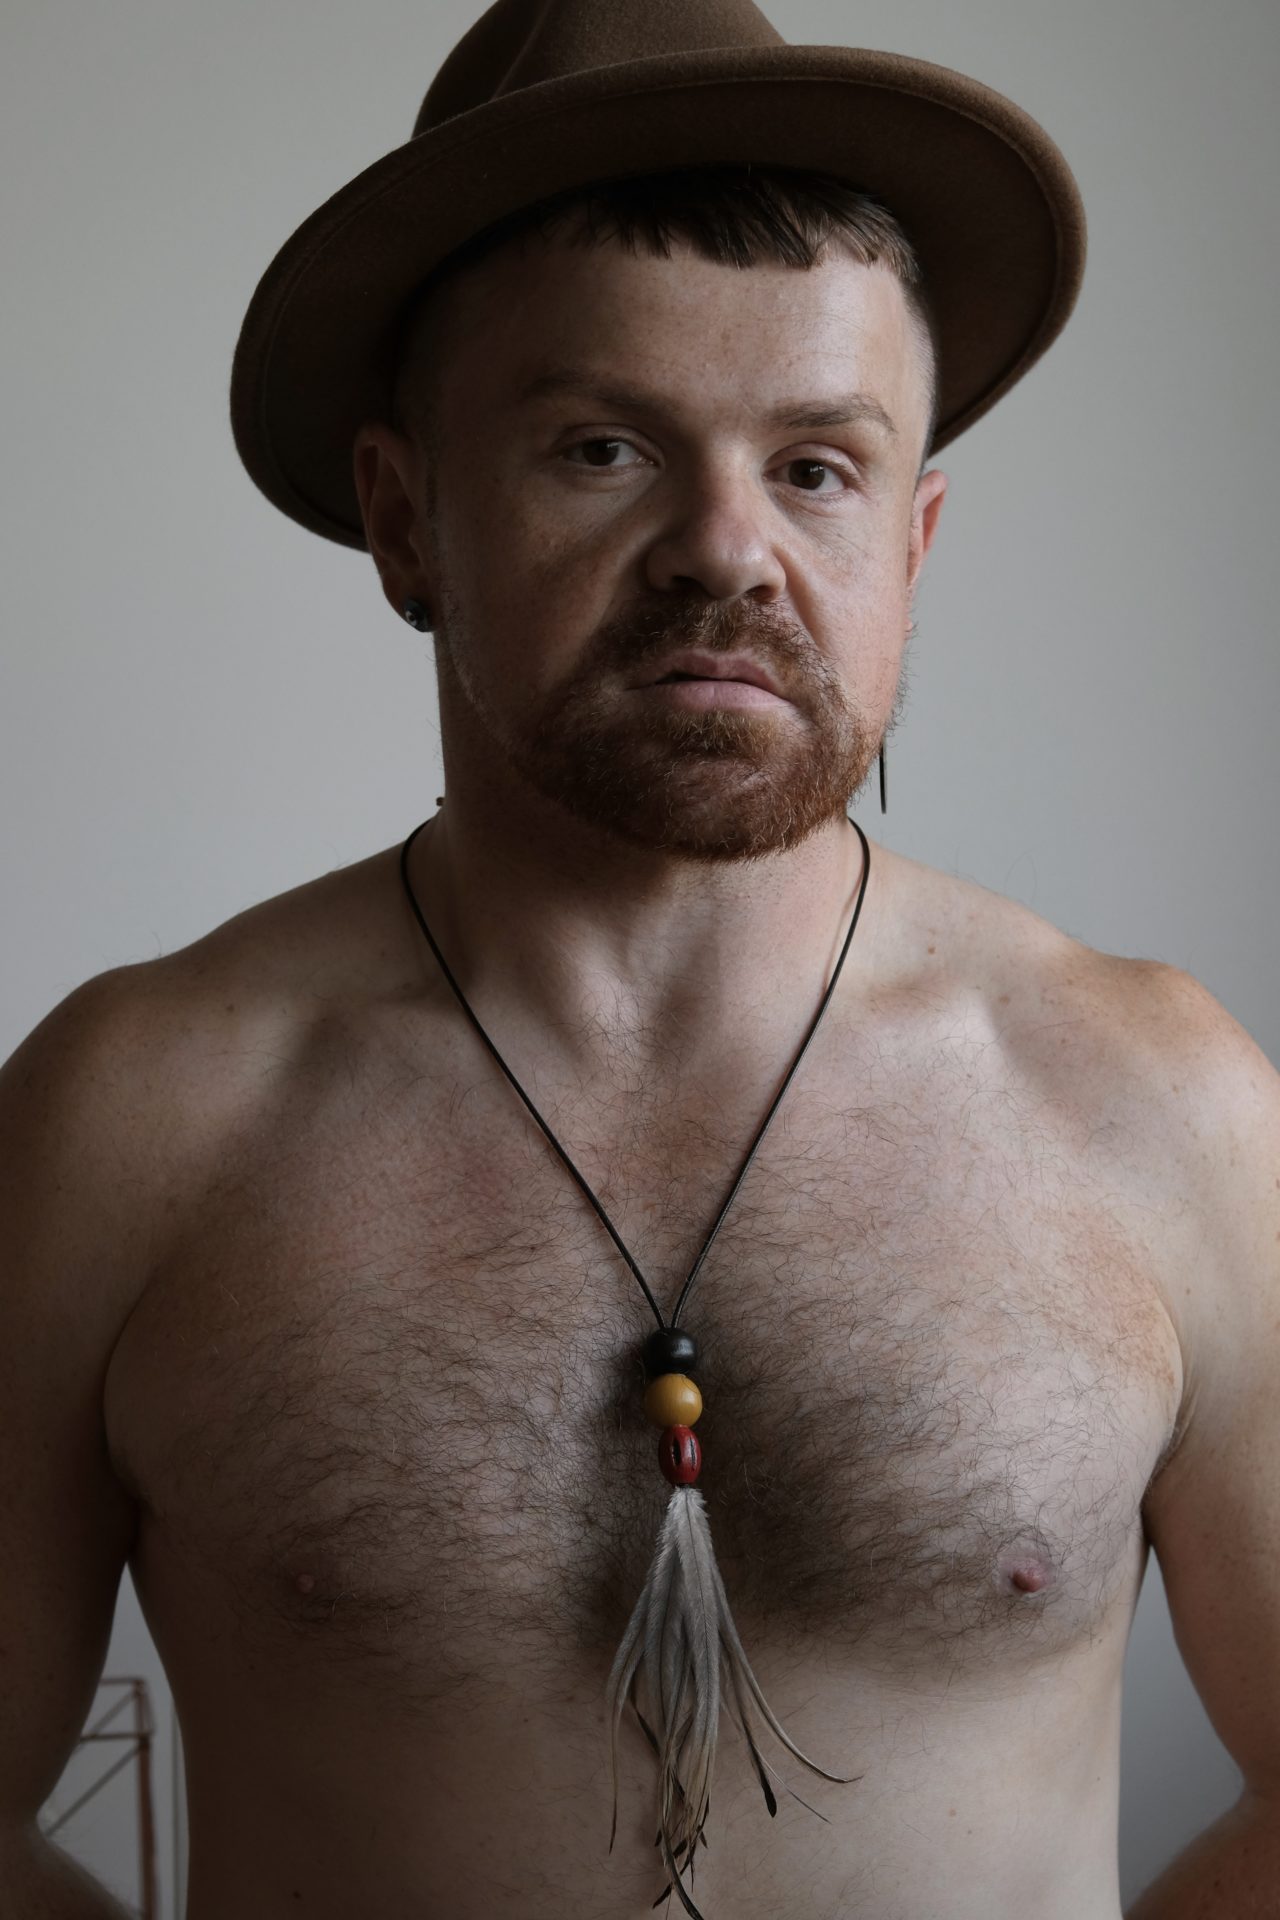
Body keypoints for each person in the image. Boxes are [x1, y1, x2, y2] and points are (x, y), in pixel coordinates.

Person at [2, 2, 1277, 1916]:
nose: (725, 551)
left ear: (915, 541)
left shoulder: (1161, 1104)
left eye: (819, 468)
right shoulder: (136, 1120)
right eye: (604, 446)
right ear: (404, 513)